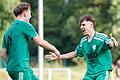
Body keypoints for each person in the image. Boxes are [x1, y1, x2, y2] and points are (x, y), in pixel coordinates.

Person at [45, 15, 118, 80]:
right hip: (90, 74)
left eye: (83, 25)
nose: (81, 27)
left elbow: (112, 44)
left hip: (102, 72)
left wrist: (113, 42)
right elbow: (75, 53)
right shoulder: (83, 42)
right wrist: (59, 57)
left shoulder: (101, 37)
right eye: (80, 25)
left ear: (91, 25)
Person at [1, 2, 60, 80]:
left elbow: (3, 53)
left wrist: (11, 65)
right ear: (25, 13)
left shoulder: (8, 30)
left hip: (19, 69)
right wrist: (55, 49)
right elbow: (40, 42)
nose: (30, 16)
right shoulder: (24, 25)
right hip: (21, 69)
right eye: (30, 13)